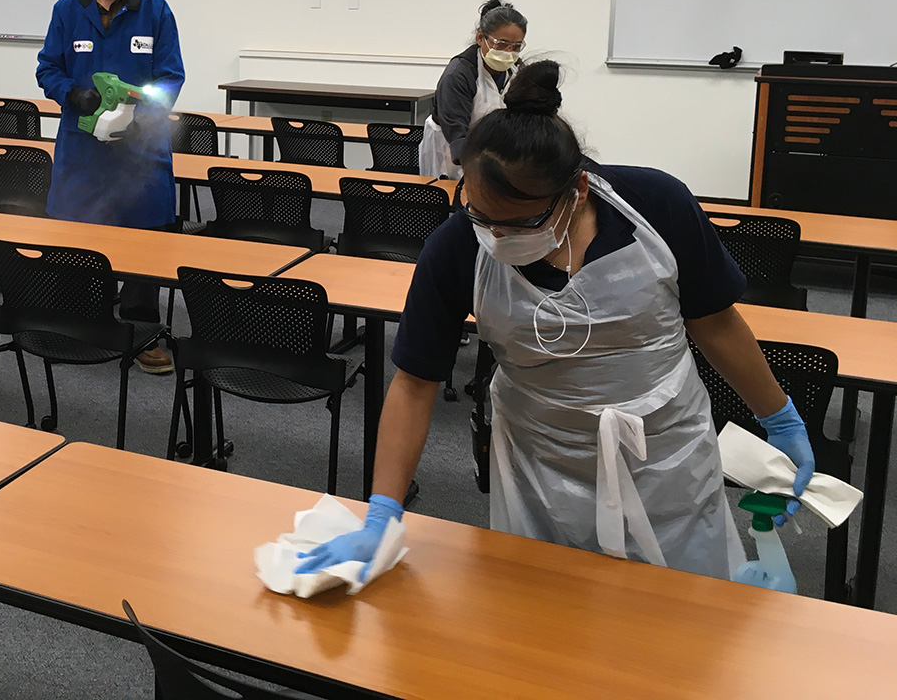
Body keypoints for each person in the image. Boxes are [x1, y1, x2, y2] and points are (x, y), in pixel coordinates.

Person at [297, 60, 815, 580]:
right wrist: (383, 511)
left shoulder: (656, 206)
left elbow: (715, 323)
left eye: (521, 221)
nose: (497, 236)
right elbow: (414, 383)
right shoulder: (456, 247)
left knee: (682, 615)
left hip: (666, 452)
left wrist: (779, 417)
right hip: (541, 462)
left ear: (579, 190)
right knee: (546, 615)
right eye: (481, 215)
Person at [35, 0, 184, 374]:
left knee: (143, 234)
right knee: (79, 234)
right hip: (83, 148)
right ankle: (86, 323)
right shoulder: (68, 9)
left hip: (139, 149)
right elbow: (47, 69)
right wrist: (72, 94)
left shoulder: (155, 11)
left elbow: (170, 77)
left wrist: (141, 116)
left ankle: (143, 333)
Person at [419, 0, 526, 180]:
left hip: (490, 150)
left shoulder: (516, 71)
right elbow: (457, 133)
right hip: (450, 151)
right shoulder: (459, 73)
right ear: (480, 37)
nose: (508, 52)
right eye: (500, 44)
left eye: (516, 47)